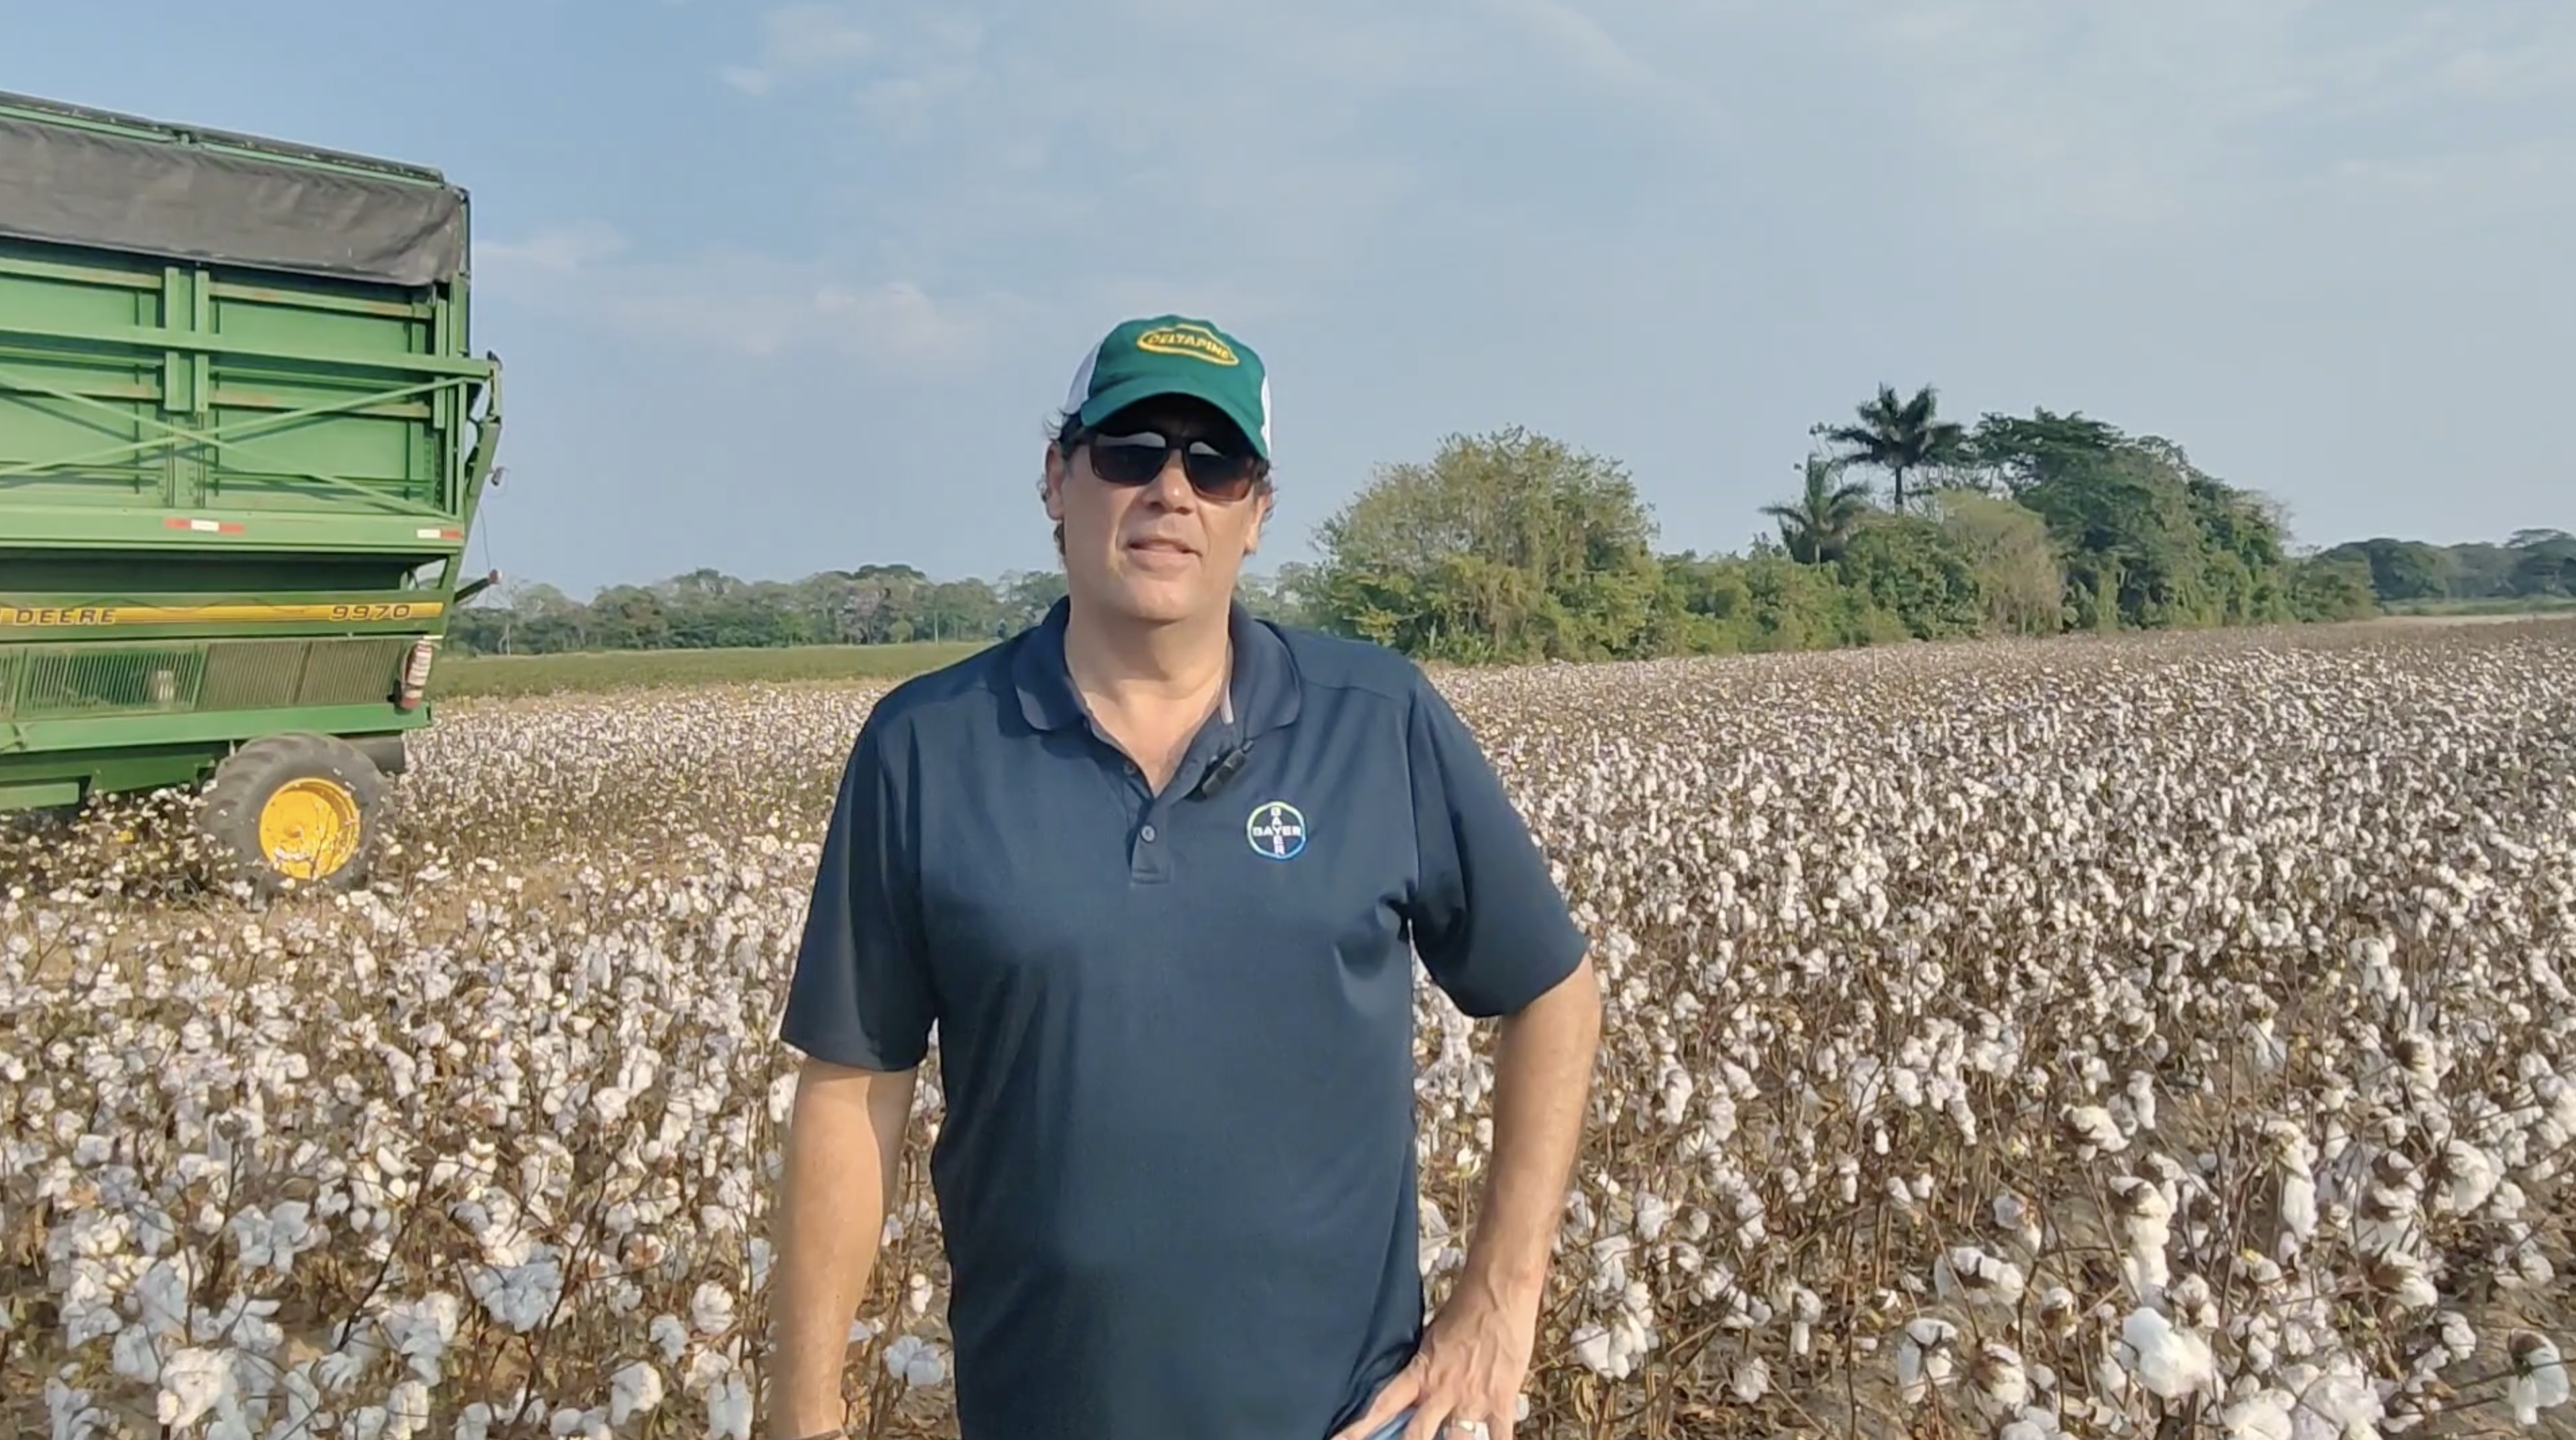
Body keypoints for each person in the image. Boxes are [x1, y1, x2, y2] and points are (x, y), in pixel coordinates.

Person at [764, 314, 1602, 1440]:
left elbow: (1551, 988)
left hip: (1351, 1420)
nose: (1171, 490)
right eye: (1128, 451)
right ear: (1057, 481)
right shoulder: (924, 747)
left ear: (1255, 513)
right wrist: (800, 1412)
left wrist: (1501, 1298)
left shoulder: (1378, 721)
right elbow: (853, 1087)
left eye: (1213, 463)